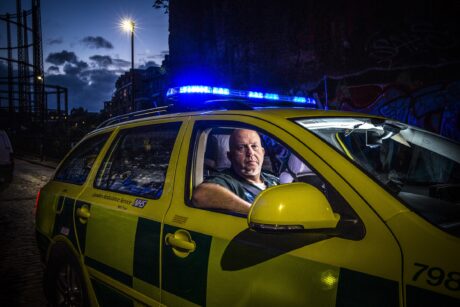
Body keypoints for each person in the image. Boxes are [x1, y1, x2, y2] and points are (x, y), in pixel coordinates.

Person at [192, 128, 279, 214]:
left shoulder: (272, 179)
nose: (250, 152)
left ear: (263, 152)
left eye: (254, 146)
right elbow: (201, 195)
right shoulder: (226, 181)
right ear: (230, 156)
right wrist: (254, 212)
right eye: (241, 147)